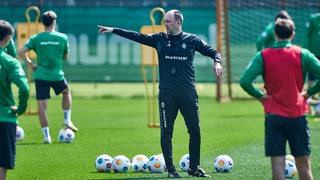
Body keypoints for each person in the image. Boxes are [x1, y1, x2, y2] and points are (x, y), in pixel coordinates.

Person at [97, 9, 223, 178]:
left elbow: (214, 52)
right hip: (167, 94)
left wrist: (217, 62)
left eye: (168, 21)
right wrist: (114, 30)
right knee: (166, 133)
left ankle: (194, 167)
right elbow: (137, 36)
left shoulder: (192, 40)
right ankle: (171, 170)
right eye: (165, 21)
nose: (165, 24)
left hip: (188, 94)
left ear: (178, 23)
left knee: (195, 131)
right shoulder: (159, 39)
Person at [240, 18, 317, 180]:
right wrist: (309, 93)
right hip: (297, 115)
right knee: (304, 167)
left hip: (274, 116)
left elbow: (245, 81)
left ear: (275, 34)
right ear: (293, 34)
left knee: (278, 167)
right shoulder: (303, 54)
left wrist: (261, 97)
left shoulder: (263, 55)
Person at [18, 10, 78, 144]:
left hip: (41, 75)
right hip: (56, 75)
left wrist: (30, 64)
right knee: (66, 91)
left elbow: (21, 52)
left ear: (43, 23)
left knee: (42, 107)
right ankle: (66, 119)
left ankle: (47, 137)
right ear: (54, 22)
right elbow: (66, 57)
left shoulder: (36, 38)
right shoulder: (62, 37)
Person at [0, 20, 29, 180]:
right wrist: (20, 109)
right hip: (5, 117)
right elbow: (24, 89)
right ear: (9, 37)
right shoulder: (10, 62)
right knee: (2, 166)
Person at [303, 13, 320, 114]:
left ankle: (318, 106)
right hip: (314, 55)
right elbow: (306, 36)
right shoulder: (313, 19)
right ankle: (306, 103)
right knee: (312, 81)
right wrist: (305, 52)